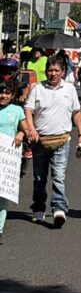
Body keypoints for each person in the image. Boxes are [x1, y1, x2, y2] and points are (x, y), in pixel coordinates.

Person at [25, 57, 81, 228]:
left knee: (58, 176)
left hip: (62, 140)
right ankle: (38, 208)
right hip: (40, 141)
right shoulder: (37, 88)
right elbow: (28, 110)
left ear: (63, 72)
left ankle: (59, 208)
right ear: (46, 71)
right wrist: (31, 129)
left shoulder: (69, 88)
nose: (53, 74)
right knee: (39, 178)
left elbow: (76, 112)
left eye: (56, 70)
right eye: (50, 70)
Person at [0, 79, 29, 245]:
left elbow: (25, 128)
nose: (3, 95)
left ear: (12, 95)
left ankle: (0, 229)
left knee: (3, 196)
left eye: (7, 93)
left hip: (7, 157)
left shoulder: (17, 110)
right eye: (1, 92)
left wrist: (21, 134)